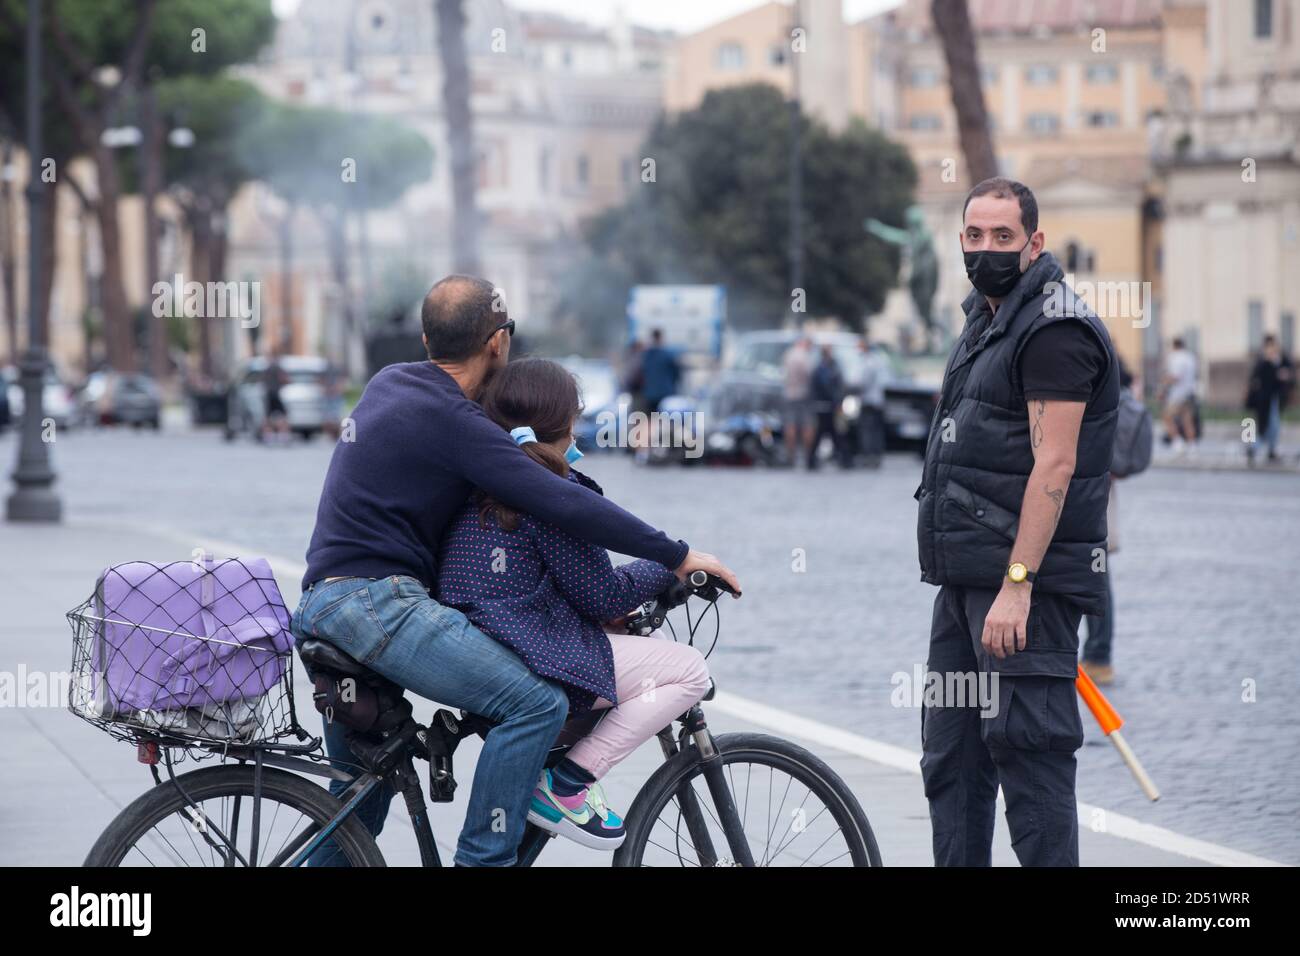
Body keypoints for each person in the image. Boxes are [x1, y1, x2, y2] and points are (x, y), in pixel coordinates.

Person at [289, 275, 739, 867]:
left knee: (357, 809)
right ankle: (484, 861)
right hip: (380, 608)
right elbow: (563, 502)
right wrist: (677, 556)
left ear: (426, 338)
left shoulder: (387, 383)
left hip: (323, 606)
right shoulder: (459, 424)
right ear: (498, 343)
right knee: (536, 705)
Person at [916, 177, 1120, 867]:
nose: (986, 249)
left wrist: (1019, 582)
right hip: (965, 584)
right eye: (974, 236)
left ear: (1034, 243)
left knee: (1029, 770)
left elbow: (1055, 466)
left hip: (1019, 591)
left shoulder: (1055, 329)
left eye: (1003, 237)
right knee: (952, 764)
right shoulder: (989, 316)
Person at [436, 358, 712, 849]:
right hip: (520, 651)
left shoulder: (480, 477)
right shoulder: (548, 491)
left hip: (473, 646)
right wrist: (670, 570)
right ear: (565, 425)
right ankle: (567, 785)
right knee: (689, 670)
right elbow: (604, 592)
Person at [1245, 334, 1294, 466]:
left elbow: (1289, 372)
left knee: (1273, 427)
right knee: (1268, 427)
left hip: (1274, 399)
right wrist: (1278, 374)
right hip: (1265, 401)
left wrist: (1285, 374)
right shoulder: (1264, 362)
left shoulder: (1279, 359)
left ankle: (1269, 451)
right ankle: (1255, 449)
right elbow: (1261, 379)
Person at [808, 344, 849, 470]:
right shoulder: (823, 369)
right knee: (830, 433)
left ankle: (843, 458)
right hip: (824, 406)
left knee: (834, 433)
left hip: (829, 406)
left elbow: (839, 388)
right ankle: (844, 459)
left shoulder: (829, 368)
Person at [856, 335, 890, 468]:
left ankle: (869, 457)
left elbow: (863, 383)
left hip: (868, 401)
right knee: (876, 430)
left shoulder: (868, 362)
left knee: (867, 431)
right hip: (878, 400)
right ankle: (876, 456)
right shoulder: (877, 360)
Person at [1160, 337, 1198, 454]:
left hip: (1178, 395)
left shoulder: (1176, 358)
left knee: (1166, 417)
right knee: (1187, 420)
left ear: (1174, 346)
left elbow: (1175, 376)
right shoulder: (1190, 357)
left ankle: (1177, 442)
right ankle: (1192, 445)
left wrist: (1163, 387)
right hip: (1189, 392)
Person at [782, 334, 814, 466]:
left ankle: (791, 456)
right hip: (804, 394)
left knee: (790, 425)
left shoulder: (788, 355)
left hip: (789, 393)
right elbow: (810, 375)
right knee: (807, 425)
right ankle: (808, 456)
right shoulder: (805, 357)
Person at [639, 328, 680, 415]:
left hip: (650, 394)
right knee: (665, 420)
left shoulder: (646, 356)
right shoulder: (668, 355)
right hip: (665, 393)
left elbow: (642, 372)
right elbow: (676, 374)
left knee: (650, 421)